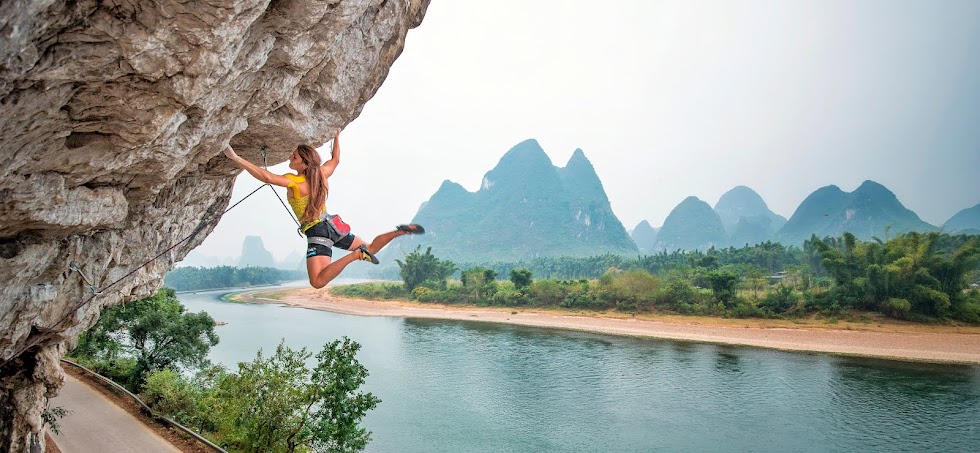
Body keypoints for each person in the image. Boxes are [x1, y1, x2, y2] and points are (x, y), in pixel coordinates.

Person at [223, 131, 424, 288]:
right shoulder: (322, 175)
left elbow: (267, 177)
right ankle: (399, 231)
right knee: (371, 247)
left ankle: (356, 255)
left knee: (317, 282)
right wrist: (336, 136)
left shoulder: (295, 181)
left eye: (293, 157)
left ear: (303, 162)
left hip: (318, 231)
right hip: (333, 225)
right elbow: (335, 160)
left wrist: (235, 157)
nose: (289, 159)